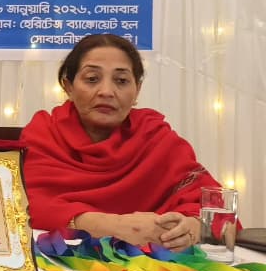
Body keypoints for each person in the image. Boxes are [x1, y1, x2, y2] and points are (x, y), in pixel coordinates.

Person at [22, 33, 215, 249]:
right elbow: (21, 204)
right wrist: (110, 226)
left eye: (121, 81)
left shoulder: (157, 141)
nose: (106, 92)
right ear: (69, 87)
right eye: (92, 79)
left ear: (137, 90)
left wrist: (192, 227)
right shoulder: (43, 135)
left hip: (151, 265)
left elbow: (216, 211)